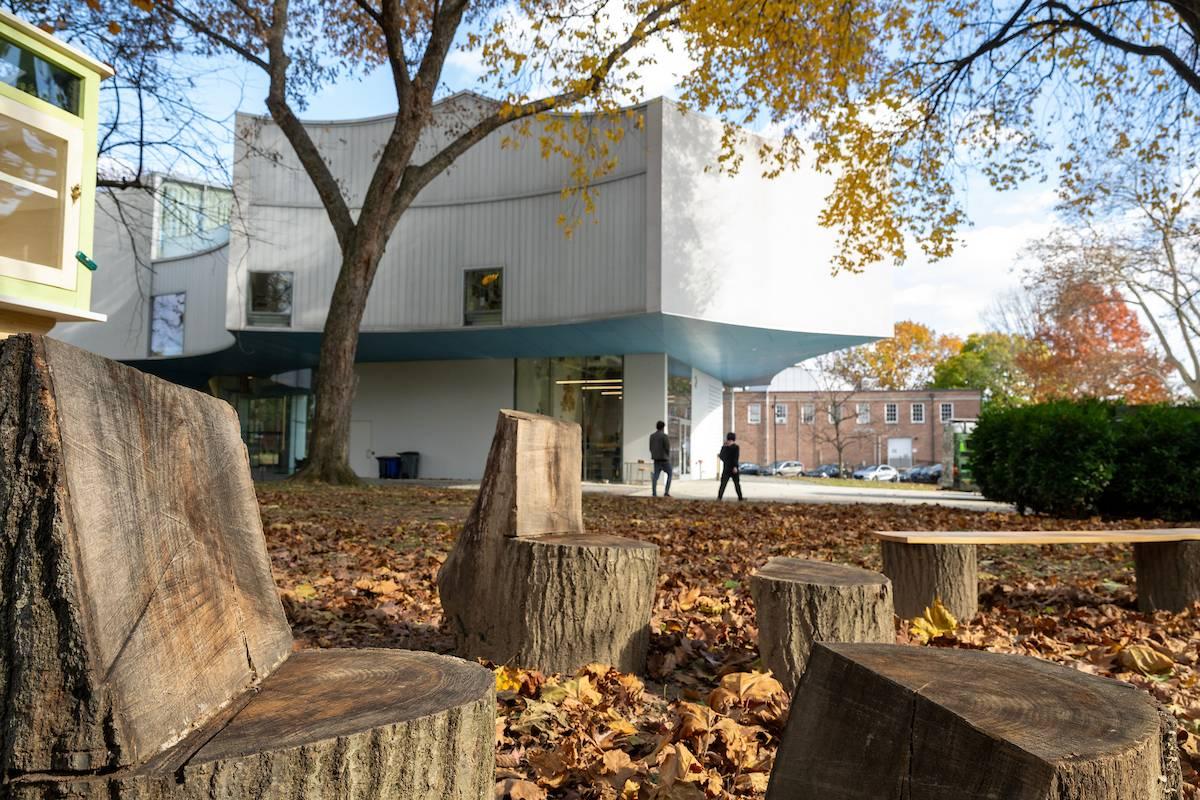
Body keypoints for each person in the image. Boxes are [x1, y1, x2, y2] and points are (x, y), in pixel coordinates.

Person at [649, 420, 672, 497]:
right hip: (664, 459)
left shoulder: (652, 436)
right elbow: (667, 447)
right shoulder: (664, 436)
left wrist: (654, 454)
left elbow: (650, 447)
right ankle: (666, 492)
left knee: (655, 476)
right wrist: (668, 456)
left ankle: (654, 493)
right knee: (670, 474)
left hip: (656, 459)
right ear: (663, 427)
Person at [718, 432, 743, 501]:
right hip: (732, 468)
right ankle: (740, 498)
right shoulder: (735, 447)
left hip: (726, 468)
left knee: (724, 484)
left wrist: (726, 460)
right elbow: (736, 457)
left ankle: (719, 497)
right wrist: (735, 466)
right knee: (736, 484)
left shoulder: (725, 447)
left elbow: (721, 456)